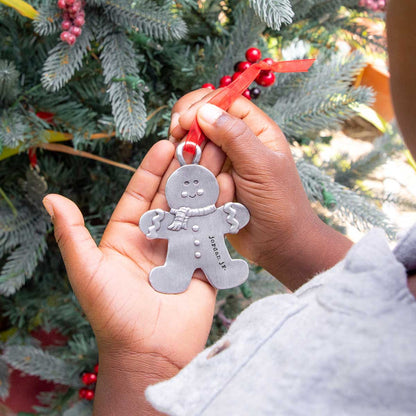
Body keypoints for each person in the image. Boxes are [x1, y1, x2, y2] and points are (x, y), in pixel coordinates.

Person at [41, 1, 416, 414]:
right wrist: (293, 244)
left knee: (218, 260)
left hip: (207, 254)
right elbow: (388, 292)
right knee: (179, 264)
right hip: (182, 256)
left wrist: (142, 363)